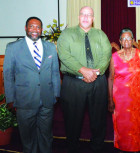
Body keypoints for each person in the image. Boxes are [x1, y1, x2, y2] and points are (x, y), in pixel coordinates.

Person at [57, 6, 111, 153]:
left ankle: (97, 147)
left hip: (98, 82)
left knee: (99, 120)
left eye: (89, 15)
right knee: (72, 121)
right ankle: (73, 148)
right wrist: (84, 70)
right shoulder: (67, 34)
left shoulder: (101, 35)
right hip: (73, 84)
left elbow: (106, 55)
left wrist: (95, 72)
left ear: (93, 19)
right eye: (83, 14)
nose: (86, 17)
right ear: (79, 16)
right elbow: (64, 55)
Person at [3, 16, 61, 153]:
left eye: (38, 27)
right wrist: (10, 99)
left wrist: (56, 95)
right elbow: (8, 75)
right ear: (26, 28)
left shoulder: (50, 47)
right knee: (28, 139)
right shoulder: (13, 48)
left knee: (46, 137)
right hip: (24, 101)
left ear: (41, 30)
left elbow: (55, 72)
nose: (35, 29)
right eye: (31, 26)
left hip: (47, 101)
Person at [108, 28, 140, 152]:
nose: (126, 40)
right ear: (119, 41)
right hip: (120, 100)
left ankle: (137, 147)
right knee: (123, 125)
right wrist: (110, 100)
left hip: (137, 99)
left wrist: (139, 85)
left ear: (133, 40)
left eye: (128, 38)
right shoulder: (114, 57)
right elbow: (110, 79)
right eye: (123, 38)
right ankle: (123, 148)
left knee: (136, 124)